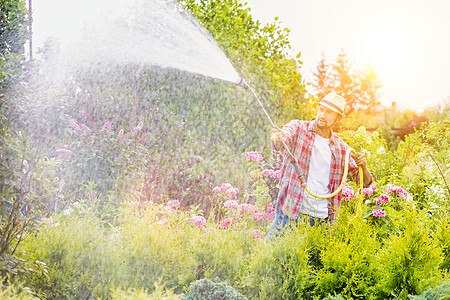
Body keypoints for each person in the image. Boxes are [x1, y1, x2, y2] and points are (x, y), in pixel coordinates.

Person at [266, 92, 372, 241]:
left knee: (310, 264)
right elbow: (281, 140)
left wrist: (364, 167)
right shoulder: (298, 128)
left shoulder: (342, 150)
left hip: (320, 221)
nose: (322, 114)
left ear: (338, 118)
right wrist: (280, 136)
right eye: (321, 109)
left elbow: (364, 182)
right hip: (290, 212)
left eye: (328, 112)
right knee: (270, 256)